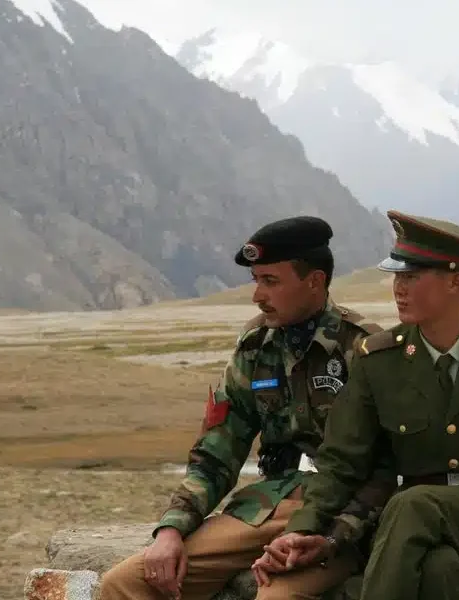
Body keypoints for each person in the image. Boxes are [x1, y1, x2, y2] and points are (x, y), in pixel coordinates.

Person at [269, 210, 459, 600]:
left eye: (412, 277)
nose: (398, 289)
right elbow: (341, 461)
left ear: (456, 281)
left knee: (413, 504)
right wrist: (303, 527)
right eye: (397, 277)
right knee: (439, 570)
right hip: (412, 528)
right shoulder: (378, 360)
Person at [99, 216, 397, 600]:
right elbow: (216, 453)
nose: (257, 295)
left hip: (337, 520)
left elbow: (389, 466)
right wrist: (172, 528)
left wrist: (336, 533)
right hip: (267, 507)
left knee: (277, 597)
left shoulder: (362, 349)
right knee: (126, 583)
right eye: (256, 280)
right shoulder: (256, 348)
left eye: (270, 281)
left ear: (315, 281)